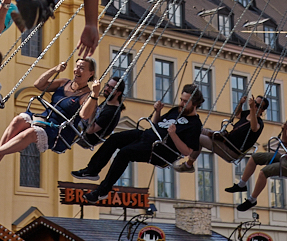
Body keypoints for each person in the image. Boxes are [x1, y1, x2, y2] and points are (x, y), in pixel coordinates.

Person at [71, 84, 205, 203]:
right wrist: (158, 111)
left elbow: (187, 151)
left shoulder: (195, 125)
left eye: (185, 102)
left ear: (194, 104)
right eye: (181, 99)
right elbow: (156, 124)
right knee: (114, 139)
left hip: (159, 149)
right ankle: (92, 170)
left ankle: (102, 191)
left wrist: (173, 135)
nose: (181, 103)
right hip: (146, 135)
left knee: (124, 154)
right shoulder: (176, 110)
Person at [0, 59, 100, 174]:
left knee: (31, 133)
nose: (77, 70)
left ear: (91, 73)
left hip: (59, 132)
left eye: (82, 68)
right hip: (44, 119)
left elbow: (84, 115)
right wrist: (55, 70)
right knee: (18, 120)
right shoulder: (64, 83)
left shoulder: (87, 96)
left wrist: (94, 94)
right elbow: (39, 85)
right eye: (77, 66)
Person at [234, 111, 287, 211]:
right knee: (255, 157)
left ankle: (252, 200)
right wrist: (284, 131)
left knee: (263, 172)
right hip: (286, 158)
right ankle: (241, 184)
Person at [182, 95, 267, 176]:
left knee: (199, 138)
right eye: (254, 103)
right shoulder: (247, 113)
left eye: (258, 105)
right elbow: (237, 114)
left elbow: (254, 127)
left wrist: (252, 109)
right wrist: (241, 103)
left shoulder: (259, 123)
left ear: (262, 110)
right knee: (199, 130)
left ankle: (188, 164)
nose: (255, 106)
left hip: (231, 150)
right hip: (226, 140)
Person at [79, 76, 125, 146]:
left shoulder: (111, 112)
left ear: (118, 93)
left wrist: (93, 110)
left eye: (111, 88)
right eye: (107, 85)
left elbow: (90, 130)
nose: (107, 89)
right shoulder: (108, 102)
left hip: (86, 137)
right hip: (82, 127)